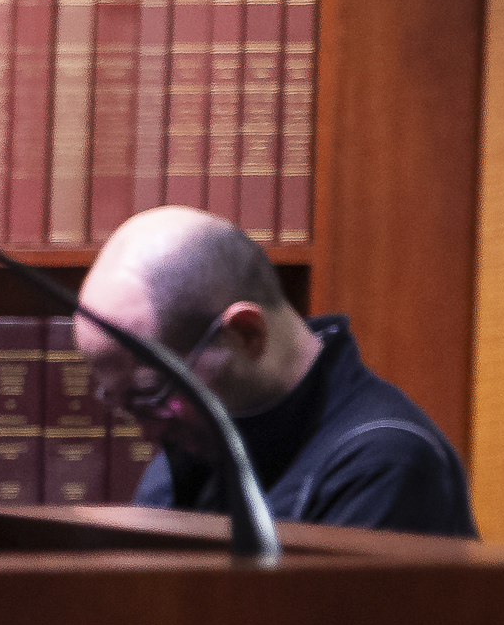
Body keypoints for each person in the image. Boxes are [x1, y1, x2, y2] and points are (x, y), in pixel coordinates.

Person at [81, 207, 476, 537]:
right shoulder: (195, 449)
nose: (148, 433)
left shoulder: (385, 465)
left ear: (247, 334)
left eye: (151, 396)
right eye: (121, 402)